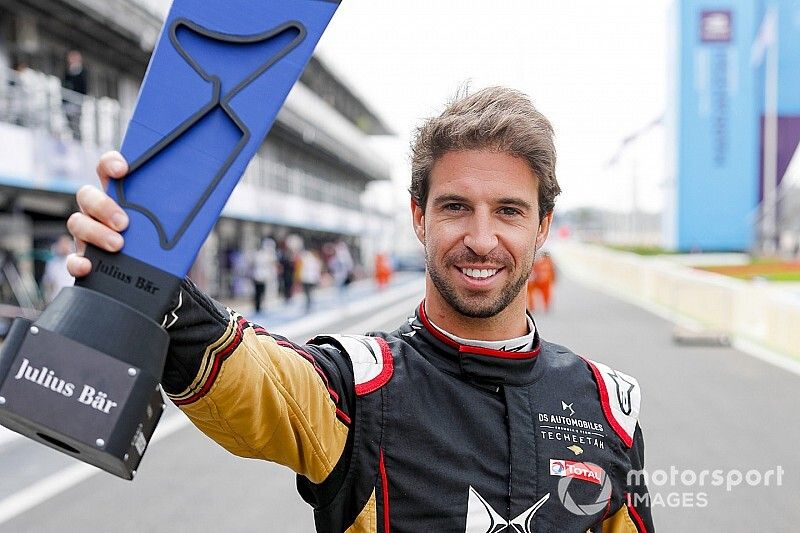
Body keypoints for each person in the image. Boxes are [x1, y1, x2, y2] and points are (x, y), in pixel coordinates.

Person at [66, 87, 653, 532]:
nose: (480, 238)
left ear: (543, 226)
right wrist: (141, 265)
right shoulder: (359, 384)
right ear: (419, 216)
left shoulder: (607, 405)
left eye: (508, 211)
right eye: (455, 207)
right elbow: (252, 374)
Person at [41, 235, 74, 303]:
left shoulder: (75, 259)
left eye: (66, 244)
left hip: (72, 298)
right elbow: (48, 281)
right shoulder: (53, 262)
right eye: (62, 244)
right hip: (57, 299)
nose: (63, 247)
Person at [249, 237, 277, 314]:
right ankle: (258, 307)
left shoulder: (263, 254)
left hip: (262, 276)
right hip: (259, 276)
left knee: (260, 293)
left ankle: (259, 306)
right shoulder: (262, 255)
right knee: (259, 293)